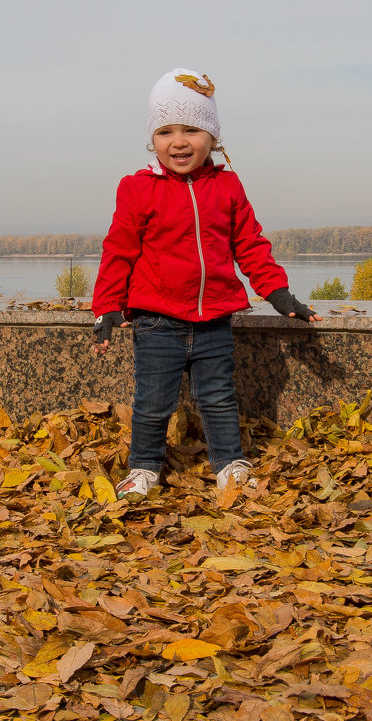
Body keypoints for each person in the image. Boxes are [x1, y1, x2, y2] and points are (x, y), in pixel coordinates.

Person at [91, 68, 320, 497]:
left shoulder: (227, 186)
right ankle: (143, 469)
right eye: (165, 131)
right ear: (152, 140)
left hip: (214, 317)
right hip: (157, 320)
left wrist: (277, 292)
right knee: (154, 403)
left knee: (217, 398)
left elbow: (249, 243)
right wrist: (107, 305)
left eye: (192, 129)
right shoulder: (139, 188)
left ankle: (229, 463)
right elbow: (118, 250)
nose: (178, 141)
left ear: (213, 137)